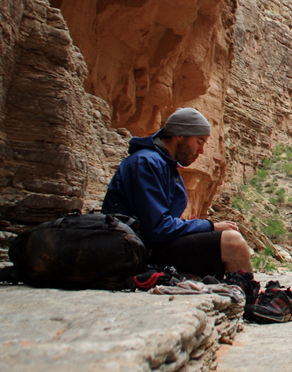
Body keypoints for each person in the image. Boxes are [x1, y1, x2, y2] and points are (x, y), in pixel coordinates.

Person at [102, 107, 253, 277]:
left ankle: (243, 294)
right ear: (179, 135)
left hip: (148, 245)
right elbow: (157, 228)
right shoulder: (145, 163)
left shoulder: (165, 167)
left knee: (220, 248)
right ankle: (250, 299)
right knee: (232, 243)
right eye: (199, 141)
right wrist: (211, 226)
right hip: (135, 250)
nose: (202, 150)